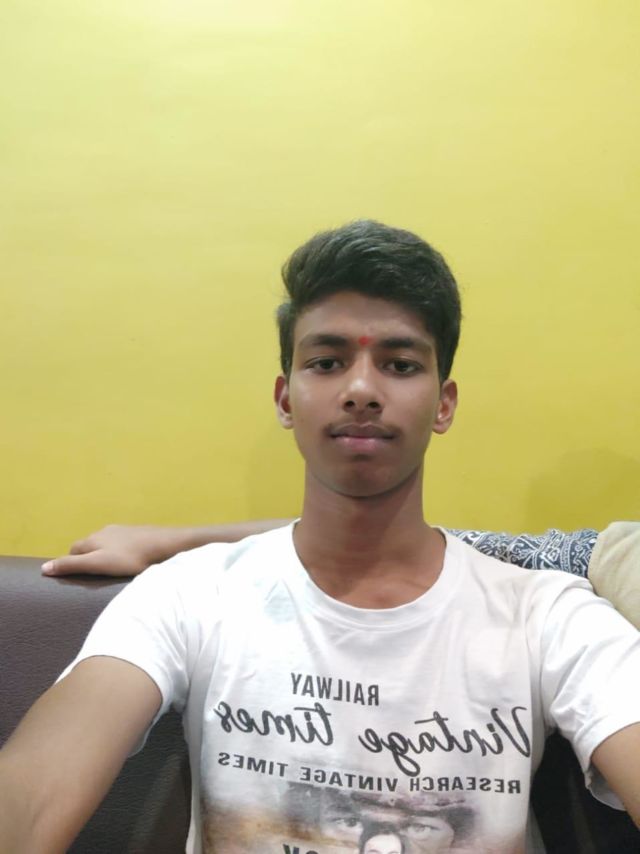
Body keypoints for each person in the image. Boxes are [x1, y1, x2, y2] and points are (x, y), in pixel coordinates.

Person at [1, 220, 639, 854]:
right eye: (327, 362)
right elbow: (33, 793)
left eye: (400, 364)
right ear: (286, 399)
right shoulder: (188, 596)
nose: (361, 390)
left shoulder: (545, 617)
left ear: (443, 404)